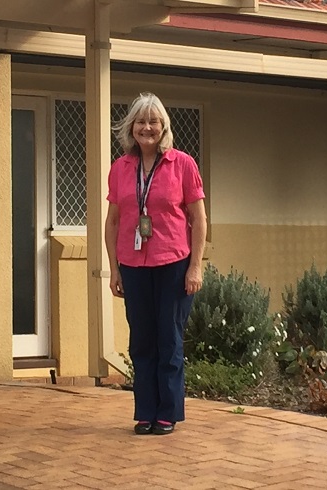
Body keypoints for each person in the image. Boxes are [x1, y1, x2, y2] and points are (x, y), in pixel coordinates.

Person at [105, 92, 207, 436]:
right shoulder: (120, 168)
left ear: (164, 127)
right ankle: (145, 411)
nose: (147, 128)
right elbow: (113, 222)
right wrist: (114, 269)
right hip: (133, 265)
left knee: (169, 339)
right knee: (142, 341)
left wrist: (196, 267)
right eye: (140, 121)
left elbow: (199, 219)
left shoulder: (183, 164)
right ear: (131, 127)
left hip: (174, 263)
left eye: (153, 121)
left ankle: (168, 412)